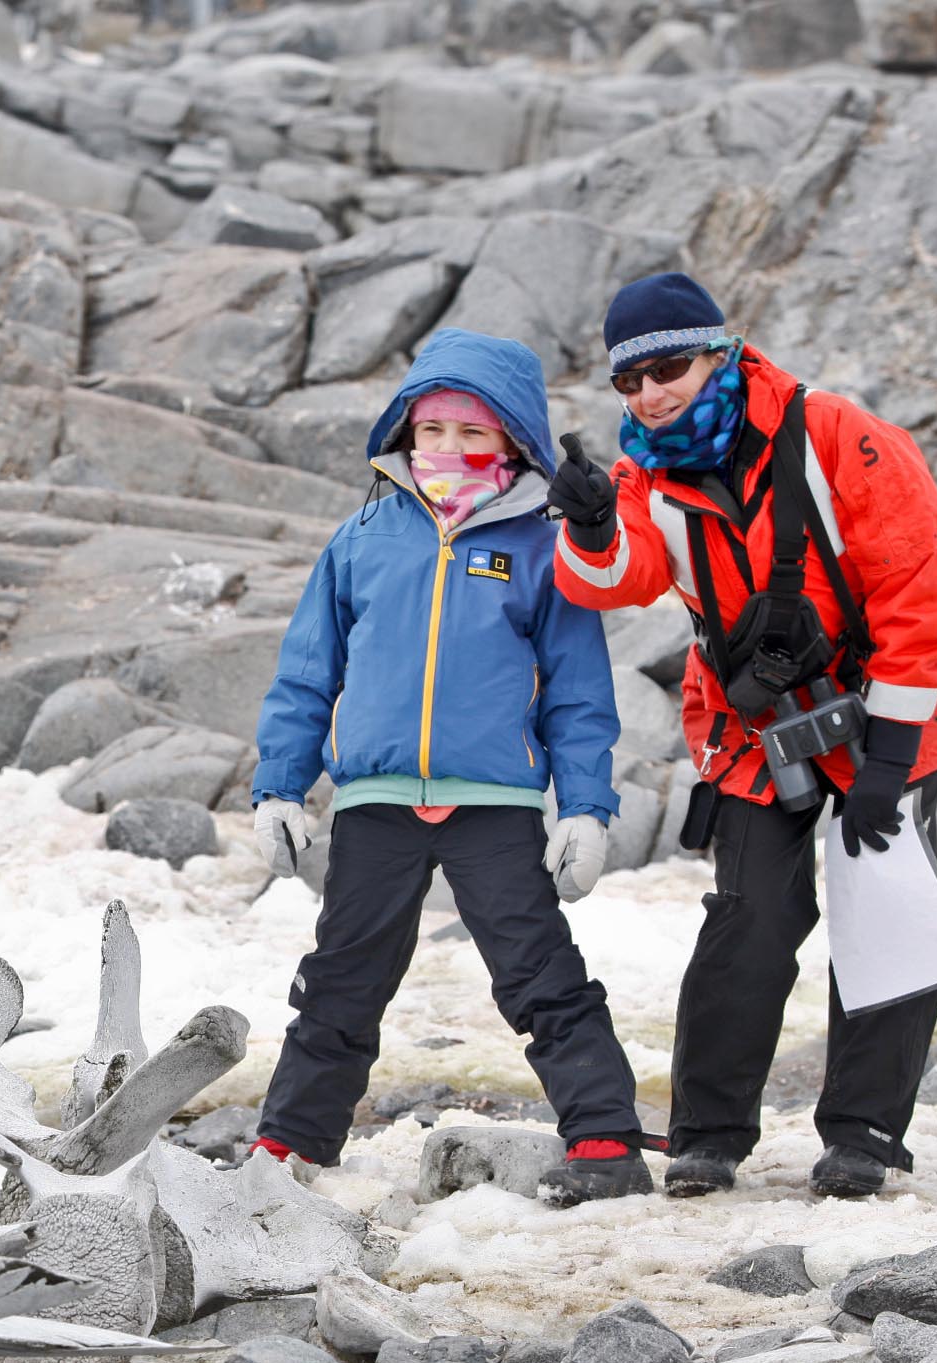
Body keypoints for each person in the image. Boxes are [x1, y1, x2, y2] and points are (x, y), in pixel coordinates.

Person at [543, 272, 937, 1200]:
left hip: (886, 709)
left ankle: (863, 1136)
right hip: (753, 727)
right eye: (630, 381)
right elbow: (612, 580)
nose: (651, 394)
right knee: (750, 920)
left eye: (668, 368)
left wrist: (891, 761)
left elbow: (917, 592)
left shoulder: (840, 436)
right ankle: (708, 1136)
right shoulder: (643, 476)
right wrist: (590, 524)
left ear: (719, 353)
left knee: (884, 910)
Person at [247, 327, 653, 1207]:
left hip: (495, 799)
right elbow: (308, 672)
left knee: (540, 973)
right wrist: (280, 786)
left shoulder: (544, 545)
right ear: (407, 431)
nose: (449, 447)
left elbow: (579, 693)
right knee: (341, 977)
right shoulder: (362, 537)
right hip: (375, 799)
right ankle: (289, 1146)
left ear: (512, 438)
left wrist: (584, 808)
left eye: (473, 432)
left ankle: (606, 1139)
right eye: (433, 429)